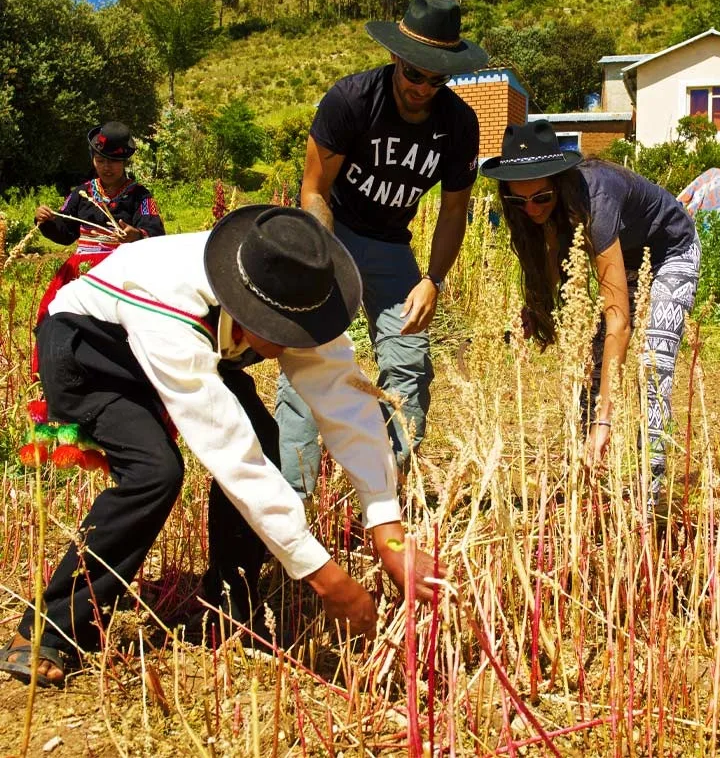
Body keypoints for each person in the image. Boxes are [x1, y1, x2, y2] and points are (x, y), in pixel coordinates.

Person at [0, 205, 439, 687]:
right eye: (276, 332)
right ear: (240, 300)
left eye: (296, 333)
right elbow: (230, 451)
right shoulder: (170, 295)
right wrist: (321, 573)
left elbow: (348, 408)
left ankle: (229, 609)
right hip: (92, 346)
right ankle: (47, 630)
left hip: (183, 346)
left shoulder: (302, 292)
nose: (289, 344)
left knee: (268, 444)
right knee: (154, 473)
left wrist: (388, 530)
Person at [276, 0, 488, 497]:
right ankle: (294, 499)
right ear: (396, 56)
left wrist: (432, 280)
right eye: (415, 73)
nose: (423, 88)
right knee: (309, 357)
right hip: (335, 233)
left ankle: (384, 494)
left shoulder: (459, 124)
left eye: (437, 79)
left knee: (409, 363)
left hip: (393, 247)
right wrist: (321, 259)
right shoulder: (350, 100)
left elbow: (455, 210)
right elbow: (314, 191)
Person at [481, 120, 701, 503]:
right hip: (623, 257)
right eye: (519, 201)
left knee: (652, 361)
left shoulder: (597, 198)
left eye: (540, 199)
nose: (531, 209)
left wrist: (605, 419)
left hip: (670, 252)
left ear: (560, 183)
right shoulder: (544, 208)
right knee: (592, 364)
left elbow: (619, 320)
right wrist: (540, 310)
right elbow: (554, 263)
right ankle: (590, 486)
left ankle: (652, 493)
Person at [33, 121, 165, 344]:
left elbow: (155, 232)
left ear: (124, 162)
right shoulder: (81, 193)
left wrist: (137, 235)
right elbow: (65, 233)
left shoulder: (140, 196)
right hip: (79, 271)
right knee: (55, 315)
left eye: (113, 161)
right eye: (100, 160)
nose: (106, 167)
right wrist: (46, 221)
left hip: (121, 270)